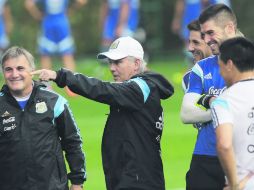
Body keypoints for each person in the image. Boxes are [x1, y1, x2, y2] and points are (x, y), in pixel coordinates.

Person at [31, 36, 174, 190]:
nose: (112, 68)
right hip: (129, 178)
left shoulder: (140, 87)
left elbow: (102, 90)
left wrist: (61, 76)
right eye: (110, 62)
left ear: (136, 63)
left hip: (138, 182)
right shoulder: (137, 89)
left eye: (118, 62)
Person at [0, 46, 86, 190]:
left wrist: (77, 182)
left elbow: (73, 143)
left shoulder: (55, 102)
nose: (14, 74)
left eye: (20, 68)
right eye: (8, 69)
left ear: (32, 71)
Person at [180, 4, 242, 189]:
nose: (206, 40)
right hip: (205, 156)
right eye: (203, 34)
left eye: (210, 33)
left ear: (229, 28)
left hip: (242, 156)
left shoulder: (248, 63)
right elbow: (186, 114)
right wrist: (216, 110)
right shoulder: (202, 68)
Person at [211, 37, 254, 190]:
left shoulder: (224, 101)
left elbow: (224, 144)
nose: (220, 73)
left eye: (220, 66)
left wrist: (234, 184)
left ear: (229, 64)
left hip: (245, 183)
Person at [24, 0, 87, 96]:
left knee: (46, 55)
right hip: (62, 22)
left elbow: (28, 4)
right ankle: (73, 88)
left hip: (48, 23)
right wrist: (71, 10)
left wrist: (38, 15)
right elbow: (82, 2)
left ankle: (46, 87)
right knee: (67, 55)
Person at [182, 19, 212, 92]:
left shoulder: (234, 73)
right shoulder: (188, 78)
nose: (189, 48)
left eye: (196, 42)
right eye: (189, 42)